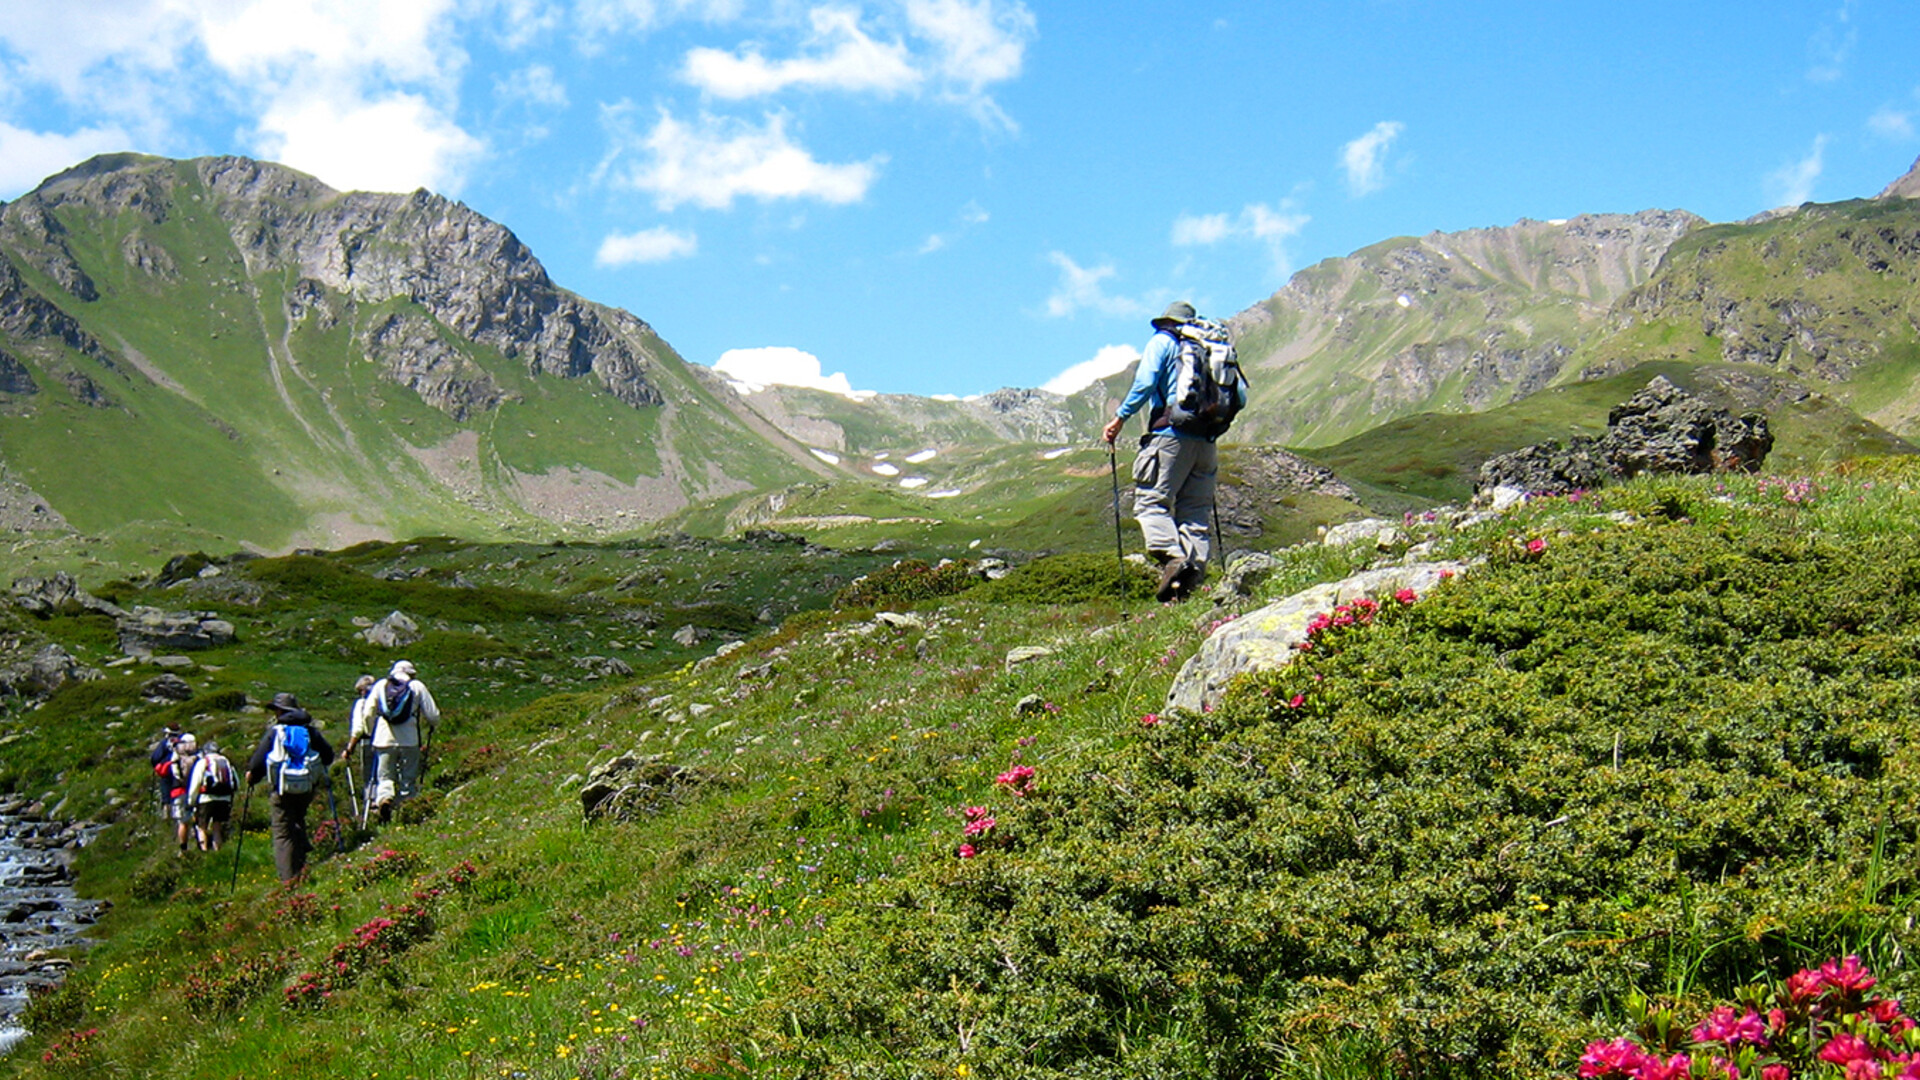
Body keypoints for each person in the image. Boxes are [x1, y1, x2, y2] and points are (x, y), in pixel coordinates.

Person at [1102, 300, 1237, 602]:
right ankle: (1190, 584)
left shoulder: (1163, 342)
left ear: (1166, 321)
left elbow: (1146, 381)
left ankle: (1172, 559)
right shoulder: (1214, 347)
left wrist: (1120, 418)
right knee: (1195, 512)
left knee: (1151, 503)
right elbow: (1238, 394)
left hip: (1169, 435)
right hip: (1206, 442)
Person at [244, 693, 335, 882]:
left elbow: (258, 761)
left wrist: (253, 777)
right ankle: (301, 863)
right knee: (298, 820)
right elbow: (328, 755)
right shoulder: (309, 731)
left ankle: (288, 880)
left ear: (280, 711)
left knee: (283, 832)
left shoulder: (275, 731)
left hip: (281, 788)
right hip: (306, 788)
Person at [349, 661, 439, 825]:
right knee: (408, 778)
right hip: (409, 740)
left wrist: (371, 732)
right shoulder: (417, 686)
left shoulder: (381, 685)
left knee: (385, 777)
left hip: (384, 739)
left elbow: (368, 712)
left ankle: (385, 799)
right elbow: (433, 715)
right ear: (411, 673)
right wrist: (432, 725)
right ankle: (406, 813)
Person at [186, 741, 237, 851]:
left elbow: (195, 783)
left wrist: (191, 801)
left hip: (206, 798)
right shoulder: (226, 762)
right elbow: (235, 781)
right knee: (217, 826)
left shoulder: (203, 762)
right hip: (224, 798)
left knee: (202, 826)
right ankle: (217, 849)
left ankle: (204, 850)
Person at [157, 732, 201, 855]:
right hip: (196, 791)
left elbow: (161, 771)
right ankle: (201, 842)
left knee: (182, 822)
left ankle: (183, 848)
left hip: (178, 791)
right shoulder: (198, 756)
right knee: (197, 817)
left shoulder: (174, 757)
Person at [148, 722, 183, 819]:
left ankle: (167, 816)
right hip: (182, 771)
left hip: (167, 772)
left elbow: (155, 757)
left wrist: (157, 766)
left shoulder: (165, 743)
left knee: (166, 796)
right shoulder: (183, 741)